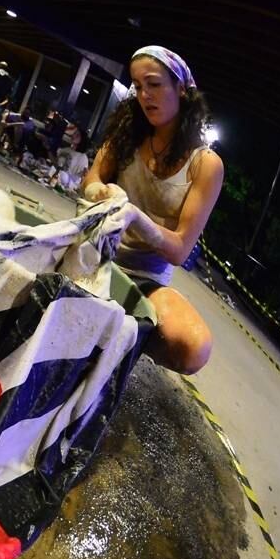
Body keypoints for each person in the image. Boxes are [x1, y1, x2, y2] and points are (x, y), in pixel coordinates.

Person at [82, 46, 223, 374]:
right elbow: (92, 177)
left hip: (145, 277)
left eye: (154, 84)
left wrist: (134, 216)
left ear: (182, 90)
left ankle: (124, 347)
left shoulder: (205, 165)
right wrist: (99, 191)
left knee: (193, 348)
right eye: (138, 85)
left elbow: (179, 249)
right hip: (93, 251)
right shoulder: (127, 134)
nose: (145, 94)